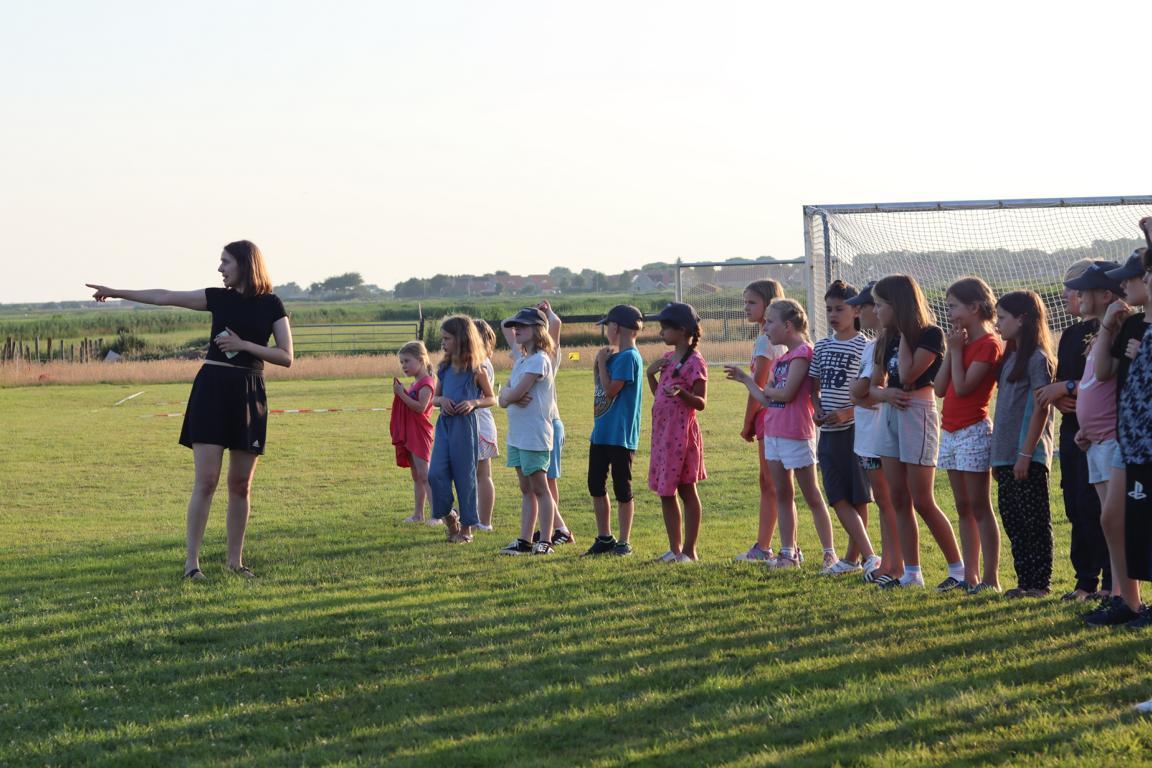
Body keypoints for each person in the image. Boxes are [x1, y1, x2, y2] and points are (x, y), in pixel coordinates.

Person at [87, 240, 293, 581]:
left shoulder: (272, 304)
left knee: (240, 485)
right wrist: (116, 291)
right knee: (206, 481)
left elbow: (286, 356)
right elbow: (164, 296)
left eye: (226, 262)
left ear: (245, 264)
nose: (220, 268)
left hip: (249, 393)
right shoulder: (217, 298)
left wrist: (243, 345)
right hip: (212, 391)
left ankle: (235, 562)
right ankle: (191, 565)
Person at [868, 275, 965, 590]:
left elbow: (910, 374)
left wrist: (905, 330)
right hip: (890, 414)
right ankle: (912, 574)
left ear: (898, 305)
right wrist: (885, 394)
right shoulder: (886, 338)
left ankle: (958, 570)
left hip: (917, 414)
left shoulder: (929, 334)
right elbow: (874, 386)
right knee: (898, 497)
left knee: (922, 499)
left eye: (880, 304)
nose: (876, 311)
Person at [726, 299, 837, 569]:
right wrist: (746, 380)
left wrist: (771, 390)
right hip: (774, 432)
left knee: (811, 494)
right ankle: (788, 553)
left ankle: (829, 553)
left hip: (796, 433)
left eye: (770, 322)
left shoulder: (803, 353)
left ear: (788, 325)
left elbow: (786, 394)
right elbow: (767, 398)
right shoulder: (781, 360)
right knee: (783, 494)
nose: (765, 328)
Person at [1083, 247, 1152, 626]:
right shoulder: (1131, 323)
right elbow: (1104, 372)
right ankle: (1128, 601)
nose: (1124, 285)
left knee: (1137, 520)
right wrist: (1109, 325)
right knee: (1112, 518)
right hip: (1130, 437)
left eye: (1131, 277)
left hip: (1144, 439)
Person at [1034, 259, 1109, 602]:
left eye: (1074, 288)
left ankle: (1112, 583)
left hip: (1102, 431)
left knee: (1101, 507)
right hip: (1072, 429)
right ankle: (1085, 581)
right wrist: (1061, 391)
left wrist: (1067, 388)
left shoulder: (1113, 330)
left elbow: (1100, 382)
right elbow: (1062, 384)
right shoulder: (1071, 334)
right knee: (1077, 505)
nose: (1067, 294)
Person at [933, 277, 1003, 594]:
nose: (950, 314)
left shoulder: (988, 344)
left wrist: (956, 350)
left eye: (953, 307)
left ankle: (990, 578)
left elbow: (962, 388)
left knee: (979, 505)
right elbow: (939, 388)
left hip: (973, 430)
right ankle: (969, 575)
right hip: (950, 430)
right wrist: (952, 352)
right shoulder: (958, 344)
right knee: (962, 505)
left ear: (974, 307)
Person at [810, 280, 879, 576]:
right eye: (829, 309)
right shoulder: (822, 346)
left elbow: (871, 393)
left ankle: (855, 558)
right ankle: (868, 555)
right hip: (828, 434)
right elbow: (813, 386)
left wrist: (847, 412)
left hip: (856, 431)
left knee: (858, 496)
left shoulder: (865, 346)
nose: (833, 315)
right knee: (836, 495)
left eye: (840, 309)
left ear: (856, 311)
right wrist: (817, 408)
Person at [990, 291, 1056, 598]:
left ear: (1022, 319)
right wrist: (999, 457)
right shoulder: (1011, 357)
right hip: (1006, 456)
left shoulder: (1037, 358)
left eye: (1002, 317)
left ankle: (1040, 584)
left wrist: (1025, 453)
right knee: (1014, 521)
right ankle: (1025, 580)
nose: (997, 323)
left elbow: (1040, 409)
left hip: (1027, 455)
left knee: (1034, 522)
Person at [500, 300, 575, 547]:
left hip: (535, 434)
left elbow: (513, 392)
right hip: (518, 435)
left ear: (538, 330)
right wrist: (508, 396)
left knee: (542, 487)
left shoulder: (541, 359)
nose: (516, 329)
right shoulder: (522, 360)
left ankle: (547, 539)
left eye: (523, 325)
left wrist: (509, 395)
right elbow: (503, 397)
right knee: (527, 489)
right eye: (517, 325)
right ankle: (524, 540)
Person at [848, 282, 903, 586]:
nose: (858, 311)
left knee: (889, 500)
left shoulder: (890, 344)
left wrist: (862, 392)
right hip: (867, 436)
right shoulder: (872, 345)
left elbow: (865, 390)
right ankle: (889, 562)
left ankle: (898, 566)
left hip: (882, 434)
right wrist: (861, 392)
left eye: (865, 305)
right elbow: (858, 392)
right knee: (883, 501)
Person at [646, 302, 708, 563]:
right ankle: (674, 549)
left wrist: (683, 393)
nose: (661, 333)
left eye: (665, 328)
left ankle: (689, 551)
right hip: (663, 437)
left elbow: (701, 402)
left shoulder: (695, 362)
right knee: (665, 491)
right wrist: (650, 375)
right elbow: (659, 394)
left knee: (686, 490)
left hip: (681, 436)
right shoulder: (667, 358)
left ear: (682, 330)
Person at [583, 305, 645, 557]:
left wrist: (600, 362)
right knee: (595, 485)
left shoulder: (629, 357)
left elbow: (610, 391)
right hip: (601, 433)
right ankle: (604, 537)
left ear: (616, 327)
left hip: (620, 436)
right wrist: (601, 364)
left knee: (622, 489)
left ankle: (624, 541)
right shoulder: (615, 357)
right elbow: (599, 386)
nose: (607, 330)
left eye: (608, 325)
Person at [429, 315, 497, 543]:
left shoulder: (477, 370)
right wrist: (441, 400)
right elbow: (434, 398)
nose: (442, 343)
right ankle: (450, 517)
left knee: (465, 478)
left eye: (447, 338)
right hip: (445, 427)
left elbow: (491, 398)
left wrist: (473, 402)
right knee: (435, 474)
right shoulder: (444, 368)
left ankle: (466, 529)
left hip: (466, 429)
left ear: (461, 339)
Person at [734, 279, 787, 563]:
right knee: (771, 482)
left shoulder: (767, 340)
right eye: (745, 302)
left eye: (752, 302)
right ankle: (773, 545)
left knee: (771, 483)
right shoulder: (770, 338)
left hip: (770, 416)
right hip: (775, 416)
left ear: (769, 305)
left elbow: (759, 385)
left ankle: (768, 547)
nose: (746, 307)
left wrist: (747, 424)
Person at [390, 341, 438, 524]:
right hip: (410, 433)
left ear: (421, 360)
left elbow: (420, 407)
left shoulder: (426, 383)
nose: (404, 366)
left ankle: (437, 515)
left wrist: (401, 394)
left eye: (407, 361)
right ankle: (418, 514)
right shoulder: (416, 382)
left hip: (420, 433)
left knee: (425, 475)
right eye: (401, 362)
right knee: (417, 476)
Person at [472, 319, 500, 532]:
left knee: (483, 475)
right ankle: (474, 516)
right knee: (475, 475)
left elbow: (486, 397)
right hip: (477, 423)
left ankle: (485, 521)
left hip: (480, 424)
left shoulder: (481, 364)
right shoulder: (479, 362)